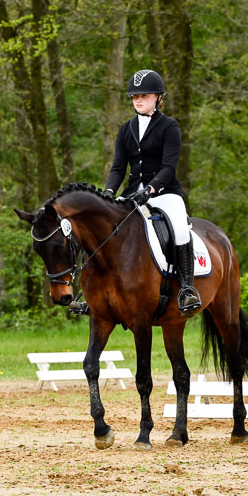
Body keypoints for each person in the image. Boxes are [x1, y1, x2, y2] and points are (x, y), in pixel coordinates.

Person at [103, 69, 201, 316]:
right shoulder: (126, 129)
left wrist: (151, 189)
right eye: (134, 96)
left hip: (165, 192)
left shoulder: (169, 126)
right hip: (133, 192)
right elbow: (118, 168)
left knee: (179, 226)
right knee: (104, 227)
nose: (137, 100)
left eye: (144, 95)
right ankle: (97, 291)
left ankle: (187, 289)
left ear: (158, 96)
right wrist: (109, 192)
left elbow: (169, 167)